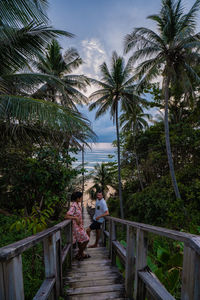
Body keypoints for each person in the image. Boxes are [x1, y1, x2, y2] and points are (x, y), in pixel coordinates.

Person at [65, 191, 90, 260]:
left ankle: (81, 254)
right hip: (76, 228)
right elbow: (66, 216)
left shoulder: (78, 205)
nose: (82, 198)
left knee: (80, 241)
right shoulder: (73, 206)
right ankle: (79, 254)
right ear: (77, 198)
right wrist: (75, 218)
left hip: (80, 226)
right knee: (86, 239)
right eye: (81, 197)